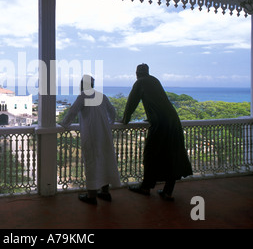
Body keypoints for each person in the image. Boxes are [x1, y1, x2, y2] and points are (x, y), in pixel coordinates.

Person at [121, 64, 192, 201]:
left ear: (137, 73)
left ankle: (145, 187)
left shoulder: (140, 82)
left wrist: (125, 120)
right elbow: (158, 102)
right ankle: (167, 191)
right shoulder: (154, 80)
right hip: (173, 121)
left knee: (150, 154)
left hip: (160, 124)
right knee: (172, 155)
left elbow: (131, 104)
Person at [59, 75, 121, 205]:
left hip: (91, 134)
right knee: (106, 160)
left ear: (83, 84)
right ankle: (105, 192)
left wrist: (64, 125)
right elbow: (112, 111)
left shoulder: (83, 96)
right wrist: (109, 123)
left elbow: (72, 112)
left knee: (92, 161)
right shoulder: (101, 96)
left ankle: (91, 196)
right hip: (104, 133)